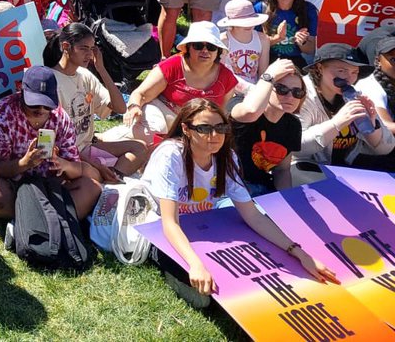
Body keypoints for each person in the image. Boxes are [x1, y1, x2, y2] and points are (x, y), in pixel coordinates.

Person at [144, 99, 337, 309]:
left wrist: (298, 253)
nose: (214, 136)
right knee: (200, 283)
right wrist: (195, 264)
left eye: (221, 128)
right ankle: (167, 264)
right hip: (155, 223)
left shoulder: (226, 156)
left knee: (258, 227)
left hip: (202, 222)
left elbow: (252, 215)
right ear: (186, 129)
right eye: (204, 128)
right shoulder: (171, 155)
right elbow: (169, 223)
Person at [0, 65, 102, 221]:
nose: (40, 109)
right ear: (21, 91)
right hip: (10, 182)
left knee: (92, 187)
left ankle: (28, 222)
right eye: (34, 103)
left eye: (47, 104)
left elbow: (76, 168)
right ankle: (52, 221)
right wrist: (25, 163)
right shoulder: (2, 115)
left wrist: (63, 164)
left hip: (50, 183)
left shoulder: (61, 118)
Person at [45, 23, 141, 181]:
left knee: (139, 148)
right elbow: (54, 142)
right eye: (83, 48)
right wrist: (96, 165)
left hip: (88, 147)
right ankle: (108, 179)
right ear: (66, 47)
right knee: (92, 173)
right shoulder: (51, 80)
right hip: (68, 154)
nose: (89, 54)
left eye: (92, 48)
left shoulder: (85, 75)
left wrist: (101, 69)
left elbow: (120, 108)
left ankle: (113, 178)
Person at [125, 21, 245, 138]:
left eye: (211, 47)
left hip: (200, 126)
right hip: (165, 113)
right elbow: (140, 93)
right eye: (198, 46)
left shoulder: (227, 77)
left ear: (218, 51)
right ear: (188, 47)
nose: (205, 51)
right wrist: (134, 107)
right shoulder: (171, 65)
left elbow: (221, 113)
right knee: (151, 132)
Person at [295, 43, 394, 168]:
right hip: (306, 164)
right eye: (342, 71)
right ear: (319, 68)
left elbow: (386, 149)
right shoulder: (300, 94)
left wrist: (373, 125)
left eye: (354, 72)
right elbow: (296, 148)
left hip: (345, 164)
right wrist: (336, 124)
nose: (349, 78)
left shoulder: (355, 94)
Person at [228, 58, 305, 195]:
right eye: (282, 89)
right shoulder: (239, 104)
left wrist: (287, 199)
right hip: (229, 187)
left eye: (297, 92)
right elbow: (250, 111)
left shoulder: (293, 125)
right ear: (267, 87)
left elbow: (282, 170)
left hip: (263, 188)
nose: (290, 96)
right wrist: (269, 75)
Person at [254, 0, 318, 68]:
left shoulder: (309, 10)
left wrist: (302, 42)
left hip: (295, 62)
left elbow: (310, 50)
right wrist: (277, 38)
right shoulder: (260, 8)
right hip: (265, 60)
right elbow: (254, 46)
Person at [217, 0, 270, 83]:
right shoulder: (223, 41)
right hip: (230, 89)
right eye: (243, 22)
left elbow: (263, 73)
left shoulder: (263, 40)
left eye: (251, 21)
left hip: (255, 89)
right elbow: (221, 74)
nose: (248, 25)